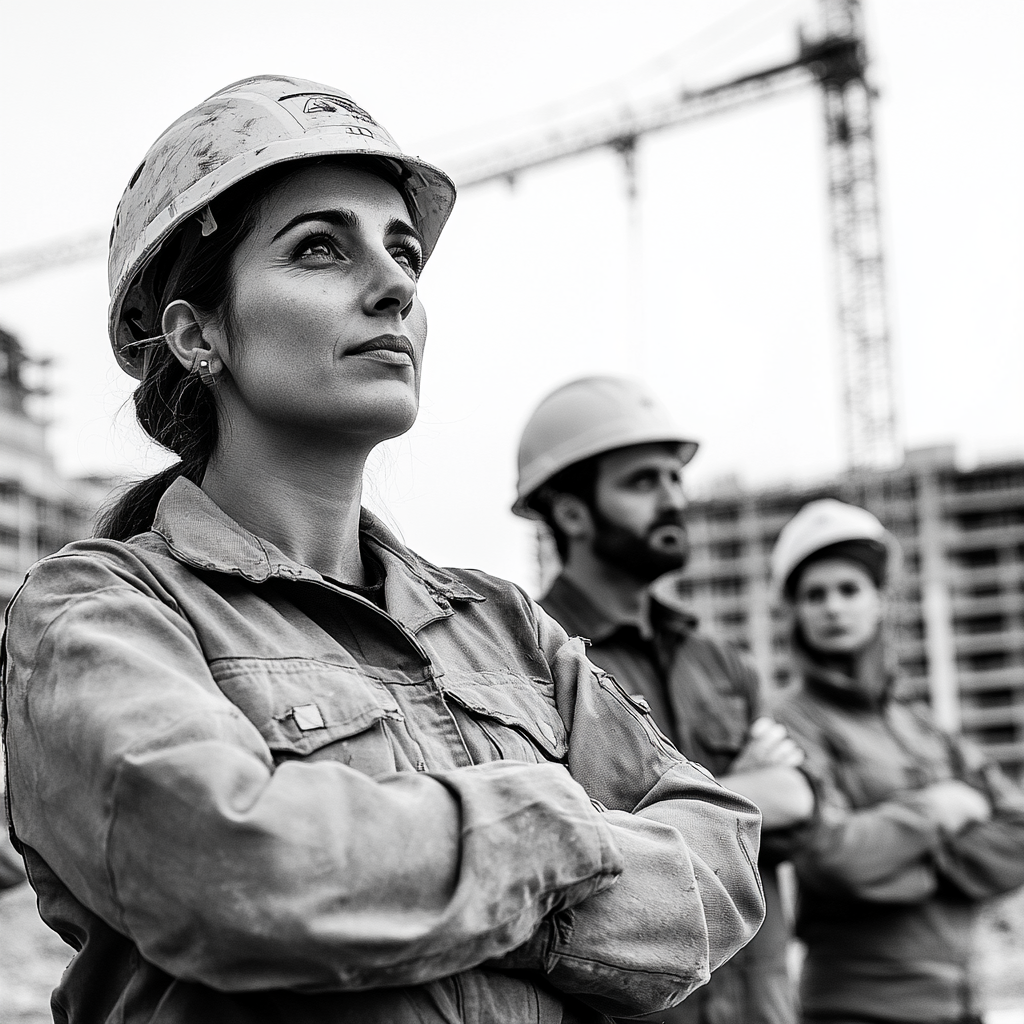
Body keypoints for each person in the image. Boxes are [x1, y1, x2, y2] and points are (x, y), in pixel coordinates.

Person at [0, 76, 765, 1024]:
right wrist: (554, 826)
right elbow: (226, 871)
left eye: (404, 251)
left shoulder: (505, 628)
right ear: (197, 334)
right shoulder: (97, 611)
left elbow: (720, 866)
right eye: (320, 248)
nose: (396, 283)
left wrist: (441, 889)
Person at [513, 377, 815, 1024]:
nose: (675, 499)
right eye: (644, 482)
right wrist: (742, 797)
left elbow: (800, 807)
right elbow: (567, 849)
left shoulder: (721, 660)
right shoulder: (529, 661)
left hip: (761, 1006)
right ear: (571, 512)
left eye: (675, 479)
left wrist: (660, 819)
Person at [770, 498, 1024, 1024]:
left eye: (849, 589)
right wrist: (936, 811)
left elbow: (1018, 836)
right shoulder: (786, 723)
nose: (833, 607)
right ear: (793, 612)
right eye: (815, 595)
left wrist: (905, 858)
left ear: (879, 601)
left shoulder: (924, 726)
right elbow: (835, 861)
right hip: (857, 1005)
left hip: (962, 1003)